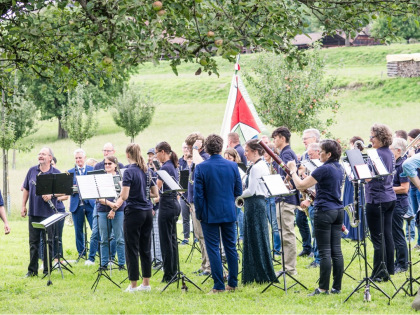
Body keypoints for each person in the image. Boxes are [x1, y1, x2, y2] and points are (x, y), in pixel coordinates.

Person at [288, 139, 344, 295]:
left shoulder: (323, 169)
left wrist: (293, 170)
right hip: (338, 211)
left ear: (329, 154)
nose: (319, 154)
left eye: (321, 152)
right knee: (336, 251)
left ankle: (323, 288)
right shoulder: (339, 167)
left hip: (324, 211)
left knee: (325, 252)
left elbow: (300, 185)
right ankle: (336, 287)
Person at [194, 134, 242, 292]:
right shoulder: (233, 166)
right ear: (221, 148)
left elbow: (198, 196)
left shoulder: (201, 167)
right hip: (228, 211)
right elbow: (238, 191)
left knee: (213, 248)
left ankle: (219, 285)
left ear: (206, 149)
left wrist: (199, 214)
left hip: (209, 213)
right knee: (230, 248)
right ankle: (233, 283)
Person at [113, 143, 158, 292]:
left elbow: (124, 196)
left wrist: (121, 188)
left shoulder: (128, 172)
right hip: (147, 211)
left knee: (131, 248)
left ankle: (133, 285)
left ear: (127, 154)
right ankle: (146, 284)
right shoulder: (147, 170)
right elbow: (155, 193)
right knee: (145, 247)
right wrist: (141, 193)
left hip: (134, 212)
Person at [238, 139, 277, 284]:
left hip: (254, 203)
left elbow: (251, 190)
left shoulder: (256, 167)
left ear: (255, 151)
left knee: (255, 238)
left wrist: (237, 195)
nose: (245, 154)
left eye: (247, 151)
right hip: (258, 203)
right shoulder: (262, 165)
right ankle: (258, 271)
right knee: (258, 237)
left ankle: (258, 272)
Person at [21, 147, 61, 277]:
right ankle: (32, 270)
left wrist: (52, 195)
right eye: (39, 154)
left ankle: (47, 270)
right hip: (34, 212)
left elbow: (65, 191)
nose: (40, 156)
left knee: (48, 242)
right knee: (33, 243)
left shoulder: (56, 172)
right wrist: (23, 206)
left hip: (49, 213)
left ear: (50, 158)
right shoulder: (32, 170)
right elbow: (26, 189)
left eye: (43, 154)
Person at [366, 123, 396, 282]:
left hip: (376, 198)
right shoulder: (389, 153)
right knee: (387, 235)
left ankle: (379, 273)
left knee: (378, 238)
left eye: (372, 137)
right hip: (389, 197)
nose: (370, 140)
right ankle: (388, 270)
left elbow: (370, 177)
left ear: (380, 138)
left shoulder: (376, 153)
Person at [272, 126, 299, 275]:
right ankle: (285, 266)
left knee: (287, 234)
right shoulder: (283, 152)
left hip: (286, 198)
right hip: (282, 197)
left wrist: (285, 181)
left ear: (282, 138)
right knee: (283, 233)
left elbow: (291, 169)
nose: (274, 141)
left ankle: (289, 269)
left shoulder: (287, 152)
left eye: (275, 138)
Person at [185, 132, 211, 276]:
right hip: (193, 202)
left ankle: (209, 266)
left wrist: (195, 149)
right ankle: (204, 264)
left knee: (204, 235)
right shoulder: (195, 156)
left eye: (190, 147)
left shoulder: (203, 157)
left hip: (200, 202)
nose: (188, 150)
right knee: (199, 235)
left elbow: (200, 164)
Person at [155, 141, 181, 283]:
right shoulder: (172, 165)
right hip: (174, 204)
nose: (156, 156)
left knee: (166, 241)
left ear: (163, 152)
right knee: (171, 240)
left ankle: (168, 274)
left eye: (157, 153)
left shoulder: (165, 167)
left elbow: (156, 188)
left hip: (167, 205)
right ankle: (173, 271)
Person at [96, 156, 126, 270]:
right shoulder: (100, 178)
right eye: (105, 164)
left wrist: (114, 209)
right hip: (102, 210)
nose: (107, 165)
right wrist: (109, 204)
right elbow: (98, 197)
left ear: (115, 165)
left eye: (110, 163)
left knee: (119, 238)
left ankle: (121, 264)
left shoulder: (121, 178)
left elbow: (123, 196)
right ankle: (103, 264)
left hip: (119, 210)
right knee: (104, 238)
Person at [68, 149, 96, 264]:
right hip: (76, 204)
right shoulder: (70, 172)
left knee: (95, 229)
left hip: (90, 204)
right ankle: (81, 252)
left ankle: (94, 252)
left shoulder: (92, 170)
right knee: (78, 230)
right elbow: (66, 189)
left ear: (84, 158)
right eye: (76, 158)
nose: (78, 160)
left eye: (80, 158)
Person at [297, 129, 321, 257]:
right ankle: (310, 248)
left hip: (315, 196)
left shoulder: (320, 154)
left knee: (316, 226)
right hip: (307, 194)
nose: (303, 140)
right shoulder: (305, 154)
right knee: (305, 222)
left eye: (306, 138)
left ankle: (316, 255)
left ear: (315, 139)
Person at [390, 138, 409, 273]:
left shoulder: (402, 165)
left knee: (397, 234)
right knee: (393, 234)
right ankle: (397, 261)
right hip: (393, 202)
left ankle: (402, 264)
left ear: (398, 150)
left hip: (399, 203)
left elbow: (404, 188)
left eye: (391, 149)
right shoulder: (394, 164)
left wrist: (387, 188)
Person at [301, 142, 321, 268]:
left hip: (315, 201)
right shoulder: (313, 165)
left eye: (311, 154)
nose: (309, 157)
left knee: (317, 232)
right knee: (314, 231)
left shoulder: (320, 167)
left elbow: (317, 187)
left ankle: (318, 259)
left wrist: (308, 199)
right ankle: (315, 255)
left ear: (318, 152)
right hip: (312, 201)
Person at [262, 142, 281, 256]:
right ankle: (269, 248)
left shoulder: (275, 165)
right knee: (268, 224)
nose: (264, 154)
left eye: (267, 152)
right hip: (265, 196)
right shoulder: (263, 164)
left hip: (273, 196)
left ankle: (277, 249)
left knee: (275, 225)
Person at [403, 129, 420, 249]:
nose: (411, 142)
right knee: (416, 215)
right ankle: (419, 242)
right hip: (413, 187)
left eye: (411, 140)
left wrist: (412, 156)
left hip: (417, 186)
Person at [224, 147, 244, 241]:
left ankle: (234, 243)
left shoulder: (238, 168)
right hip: (228, 198)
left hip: (236, 198)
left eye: (230, 159)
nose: (227, 161)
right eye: (226, 159)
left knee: (234, 223)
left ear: (235, 158)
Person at [178, 142, 190, 245]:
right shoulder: (179, 161)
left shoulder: (191, 160)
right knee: (185, 217)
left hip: (190, 193)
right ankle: (186, 237)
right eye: (184, 148)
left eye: (187, 147)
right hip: (182, 193)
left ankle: (196, 236)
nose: (186, 149)